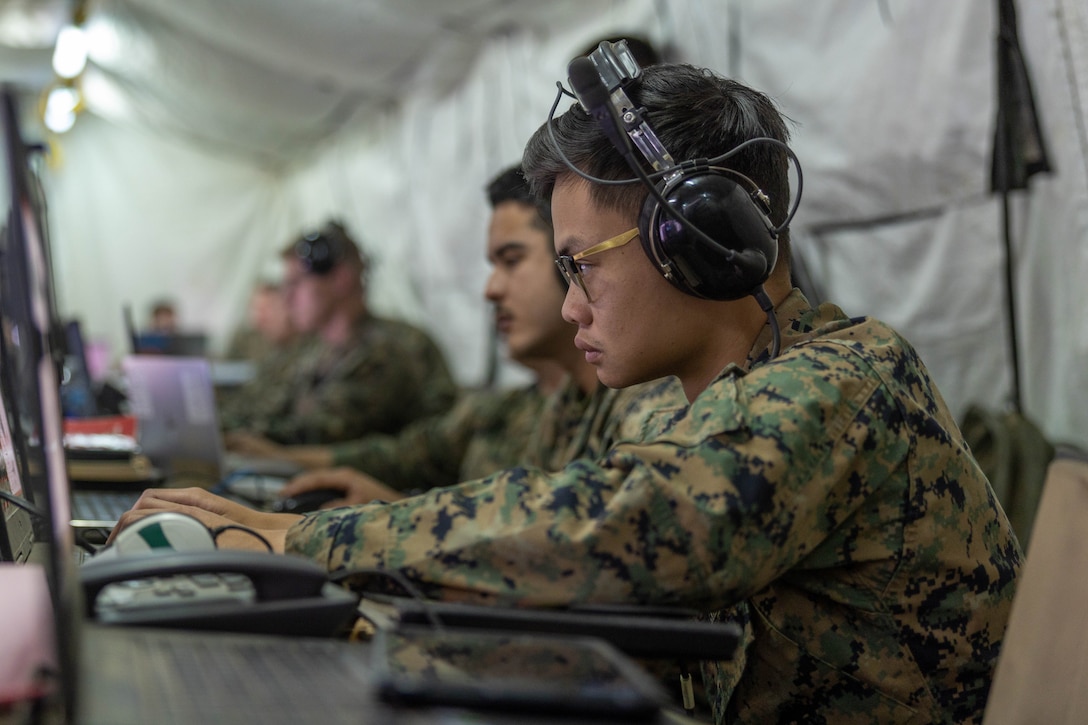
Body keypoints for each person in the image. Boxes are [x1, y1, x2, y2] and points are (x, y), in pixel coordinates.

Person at [114, 60, 1020, 724]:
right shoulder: (680, 404)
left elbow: (625, 526)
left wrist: (300, 543)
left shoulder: (846, 382)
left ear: (696, 239)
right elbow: (621, 608)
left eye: (580, 266)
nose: (571, 303)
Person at [228, 165, 684, 506]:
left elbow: (571, 534)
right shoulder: (529, 407)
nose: (490, 289)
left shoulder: (646, 406)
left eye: (512, 260)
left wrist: (388, 516)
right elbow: (404, 457)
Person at [219, 220, 457, 445]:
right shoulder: (312, 348)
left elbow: (322, 432)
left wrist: (233, 431)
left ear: (341, 280)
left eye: (296, 283)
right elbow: (266, 405)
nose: (287, 298)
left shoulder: (397, 346)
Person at [225, 281, 295, 363]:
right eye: (257, 309)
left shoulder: (293, 337)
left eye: (267, 308)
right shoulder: (244, 340)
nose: (261, 315)